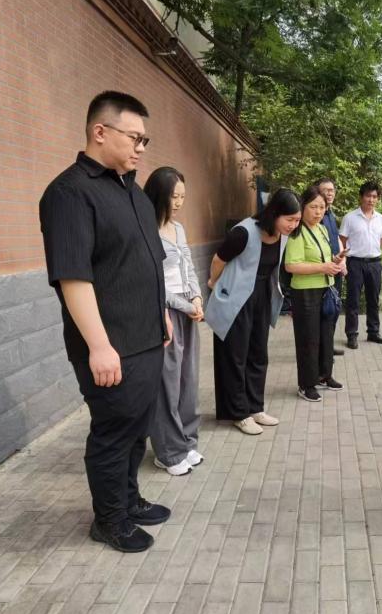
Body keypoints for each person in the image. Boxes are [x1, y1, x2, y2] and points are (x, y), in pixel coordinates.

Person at [39, 91, 172, 553]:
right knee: (114, 434)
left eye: (144, 139)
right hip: (111, 345)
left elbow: (145, 263)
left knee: (137, 429)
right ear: (100, 132)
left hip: (146, 337)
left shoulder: (132, 191)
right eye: (135, 137)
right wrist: (98, 346)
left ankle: (129, 501)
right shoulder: (69, 194)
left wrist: (159, 315)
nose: (141, 148)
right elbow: (73, 276)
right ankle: (110, 520)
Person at [206, 189, 302, 435]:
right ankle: (238, 413)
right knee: (235, 355)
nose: (293, 225)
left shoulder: (281, 234)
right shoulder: (243, 232)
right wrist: (214, 284)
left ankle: (254, 407)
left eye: (297, 220)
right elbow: (218, 260)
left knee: (258, 353)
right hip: (236, 299)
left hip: (262, 297)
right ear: (274, 213)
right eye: (290, 219)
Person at [143, 167, 204, 477]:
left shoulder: (178, 228)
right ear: (159, 196)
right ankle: (167, 452)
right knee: (167, 383)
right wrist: (184, 305)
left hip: (188, 310)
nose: (179, 202)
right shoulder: (146, 229)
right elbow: (152, 280)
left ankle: (186, 441)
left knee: (188, 379)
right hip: (164, 312)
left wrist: (197, 297)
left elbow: (189, 267)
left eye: (182, 196)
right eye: (174, 196)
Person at [284, 185, 346, 402]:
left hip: (325, 290)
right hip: (305, 293)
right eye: (313, 207)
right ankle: (306, 384)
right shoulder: (297, 232)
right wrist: (323, 267)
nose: (318, 212)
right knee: (308, 339)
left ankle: (324, 375)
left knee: (326, 336)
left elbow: (323, 258)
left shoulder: (321, 229)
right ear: (303, 207)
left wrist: (336, 261)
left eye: (322, 207)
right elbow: (291, 265)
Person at [339, 181, 382, 349]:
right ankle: (351, 335)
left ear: (378, 199)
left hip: (374, 263)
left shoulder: (381, 219)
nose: (371, 199)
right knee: (353, 300)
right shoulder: (350, 218)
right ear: (361, 197)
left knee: (373, 299)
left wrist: (370, 252)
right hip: (355, 263)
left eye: (374, 196)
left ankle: (373, 332)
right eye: (368, 196)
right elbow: (342, 241)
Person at [315, 178, 345, 356]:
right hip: (322, 271)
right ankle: (322, 352)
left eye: (332, 190)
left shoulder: (331, 214)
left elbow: (336, 240)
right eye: (325, 190)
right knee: (324, 312)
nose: (330, 193)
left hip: (336, 269)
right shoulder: (316, 216)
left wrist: (342, 261)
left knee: (333, 309)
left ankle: (328, 347)